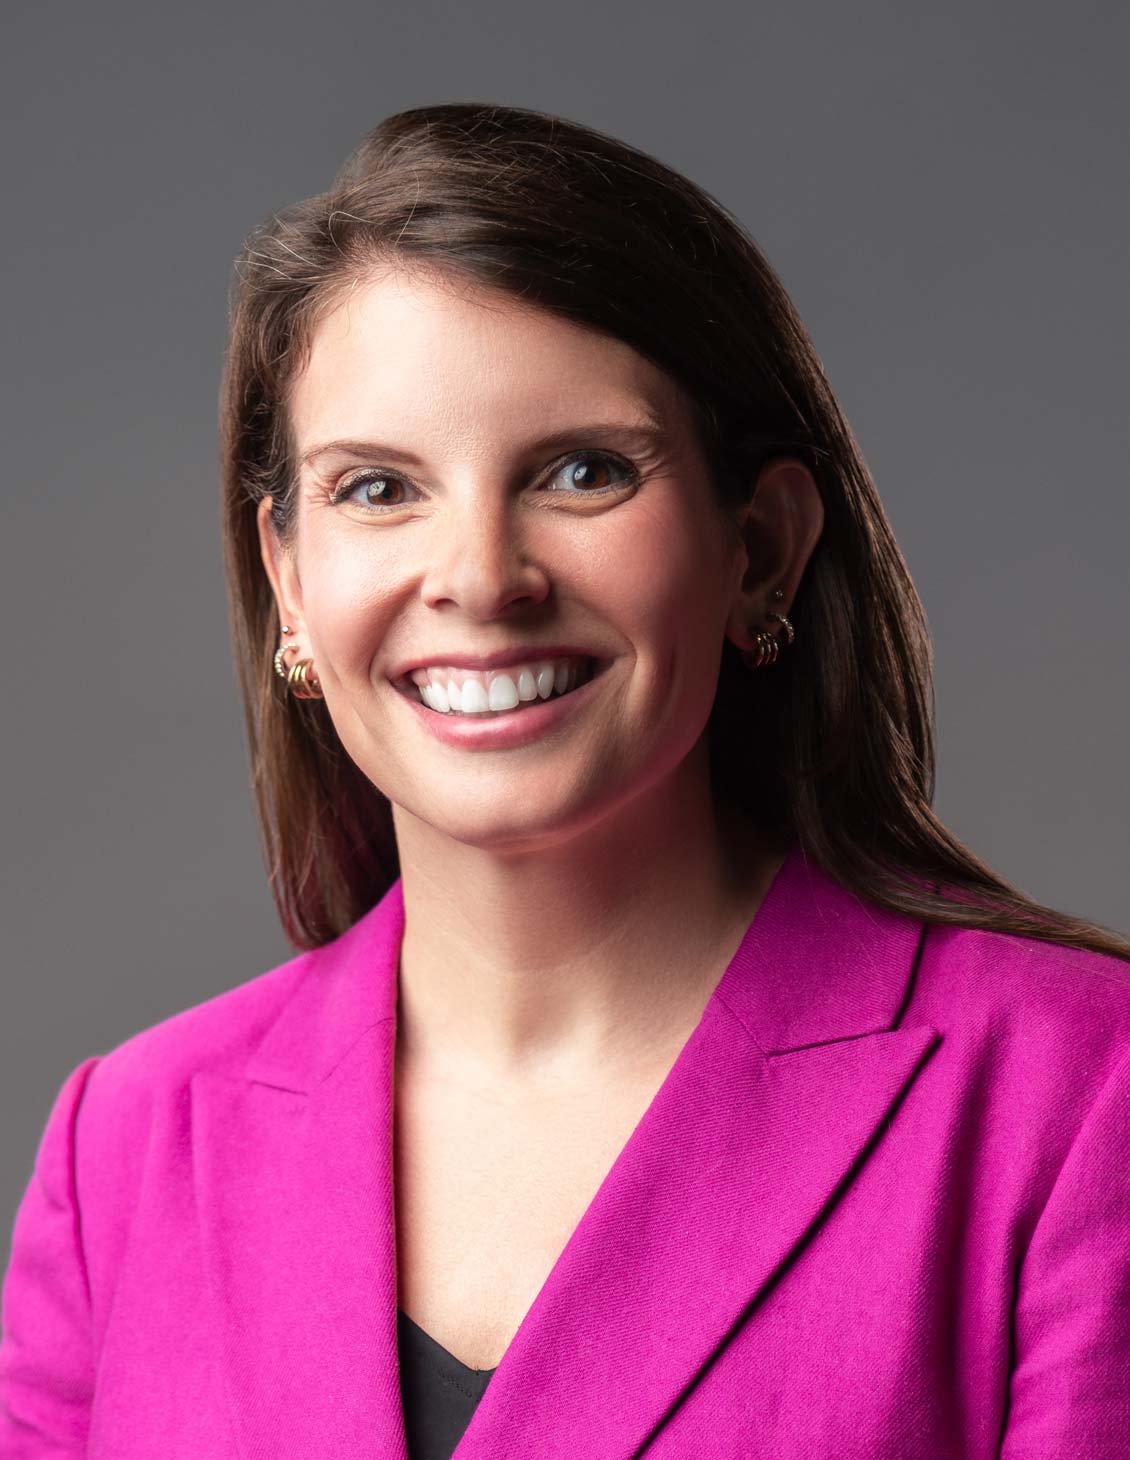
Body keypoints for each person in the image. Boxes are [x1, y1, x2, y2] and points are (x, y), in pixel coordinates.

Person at [1, 101, 1128, 1460]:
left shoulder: (1073, 1093)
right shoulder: (125, 1145)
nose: (479, 576)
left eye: (581, 472)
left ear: (759, 547)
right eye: (375, 489)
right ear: (286, 582)